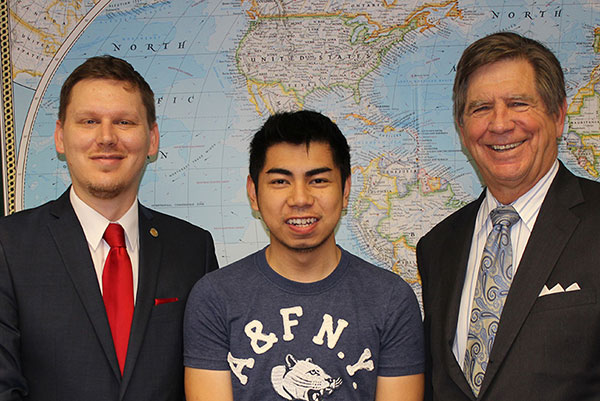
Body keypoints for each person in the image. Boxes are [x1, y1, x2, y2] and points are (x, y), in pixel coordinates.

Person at [0, 55, 218, 400]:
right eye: (88, 121)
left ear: (152, 140)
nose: (106, 138)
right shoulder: (8, 246)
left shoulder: (194, 249)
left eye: (125, 122)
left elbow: (207, 379)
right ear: (60, 137)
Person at [183, 110, 425, 401]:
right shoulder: (214, 297)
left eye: (319, 180)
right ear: (253, 193)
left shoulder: (391, 299)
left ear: (346, 190)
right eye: (280, 182)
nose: (300, 199)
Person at [417, 31, 600, 401]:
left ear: (559, 115)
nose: (499, 124)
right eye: (481, 108)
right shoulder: (438, 247)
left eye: (518, 103)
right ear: (462, 128)